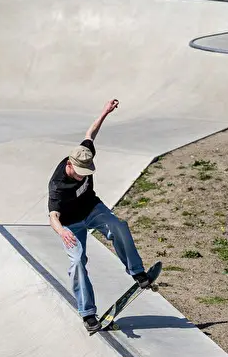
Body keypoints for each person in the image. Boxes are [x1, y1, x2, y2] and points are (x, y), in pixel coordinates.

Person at [48, 98, 151, 333]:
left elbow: (90, 134)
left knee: (119, 226)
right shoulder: (57, 185)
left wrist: (105, 112)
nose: (83, 176)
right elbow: (53, 216)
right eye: (79, 174)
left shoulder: (83, 153)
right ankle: (87, 313)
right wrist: (62, 231)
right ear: (69, 166)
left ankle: (137, 271)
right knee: (77, 262)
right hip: (70, 224)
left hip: (92, 208)